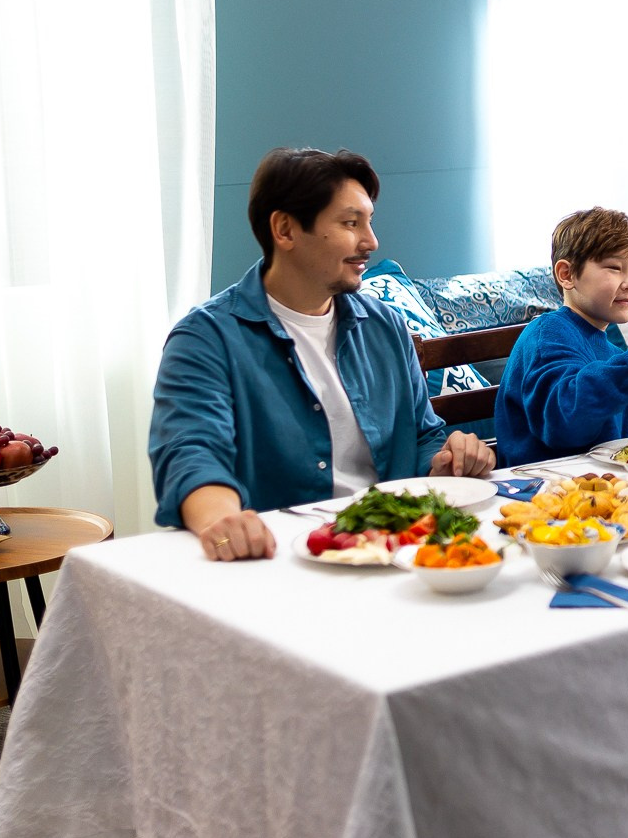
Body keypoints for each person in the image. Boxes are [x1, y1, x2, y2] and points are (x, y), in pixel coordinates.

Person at [150, 148, 495, 562]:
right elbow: (190, 451)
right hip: (279, 559)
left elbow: (423, 435)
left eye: (369, 221)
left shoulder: (385, 326)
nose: (371, 241)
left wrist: (446, 461)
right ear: (285, 230)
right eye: (351, 223)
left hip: (397, 551)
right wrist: (221, 519)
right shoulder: (206, 338)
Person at [494, 207, 628, 465]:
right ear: (567, 274)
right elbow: (566, 424)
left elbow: (626, 443)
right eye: (613, 268)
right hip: (543, 490)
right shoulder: (547, 334)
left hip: (610, 487)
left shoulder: (613, 355)